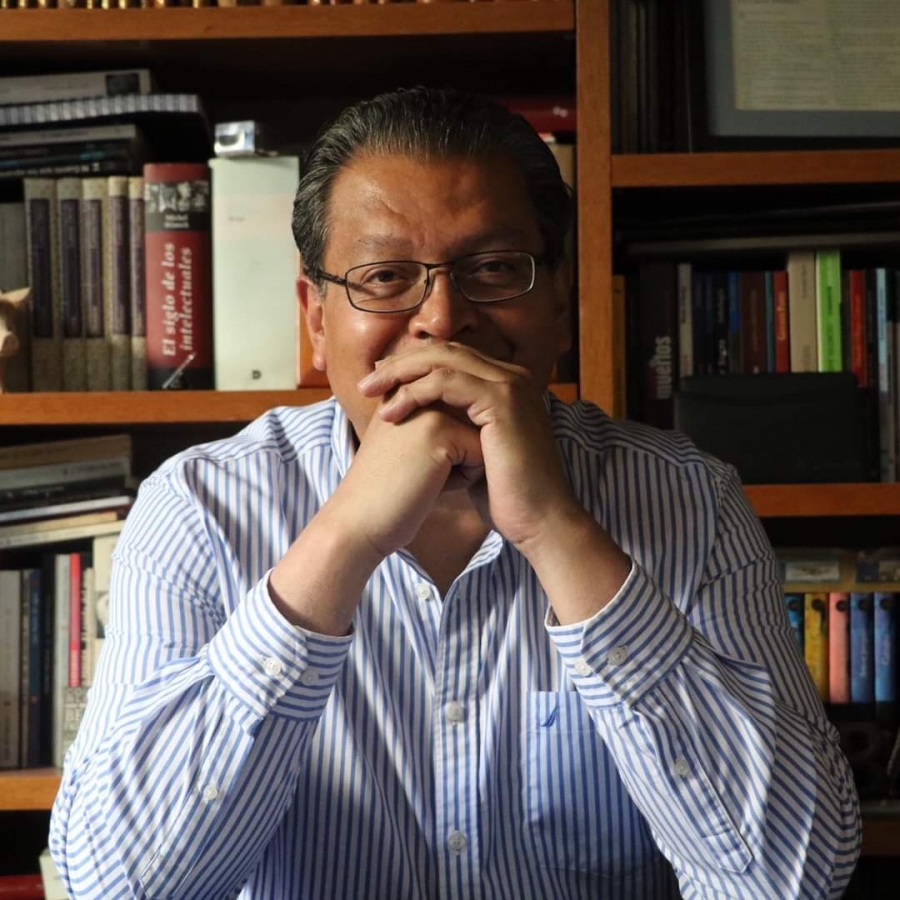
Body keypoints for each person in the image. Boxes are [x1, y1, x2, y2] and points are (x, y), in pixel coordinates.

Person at [50, 87, 860, 900]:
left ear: (560, 303)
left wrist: (557, 530)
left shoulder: (689, 499)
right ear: (315, 318)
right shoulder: (200, 507)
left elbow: (790, 882)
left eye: (495, 269)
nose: (442, 320)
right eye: (385, 276)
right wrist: (342, 541)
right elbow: (119, 887)